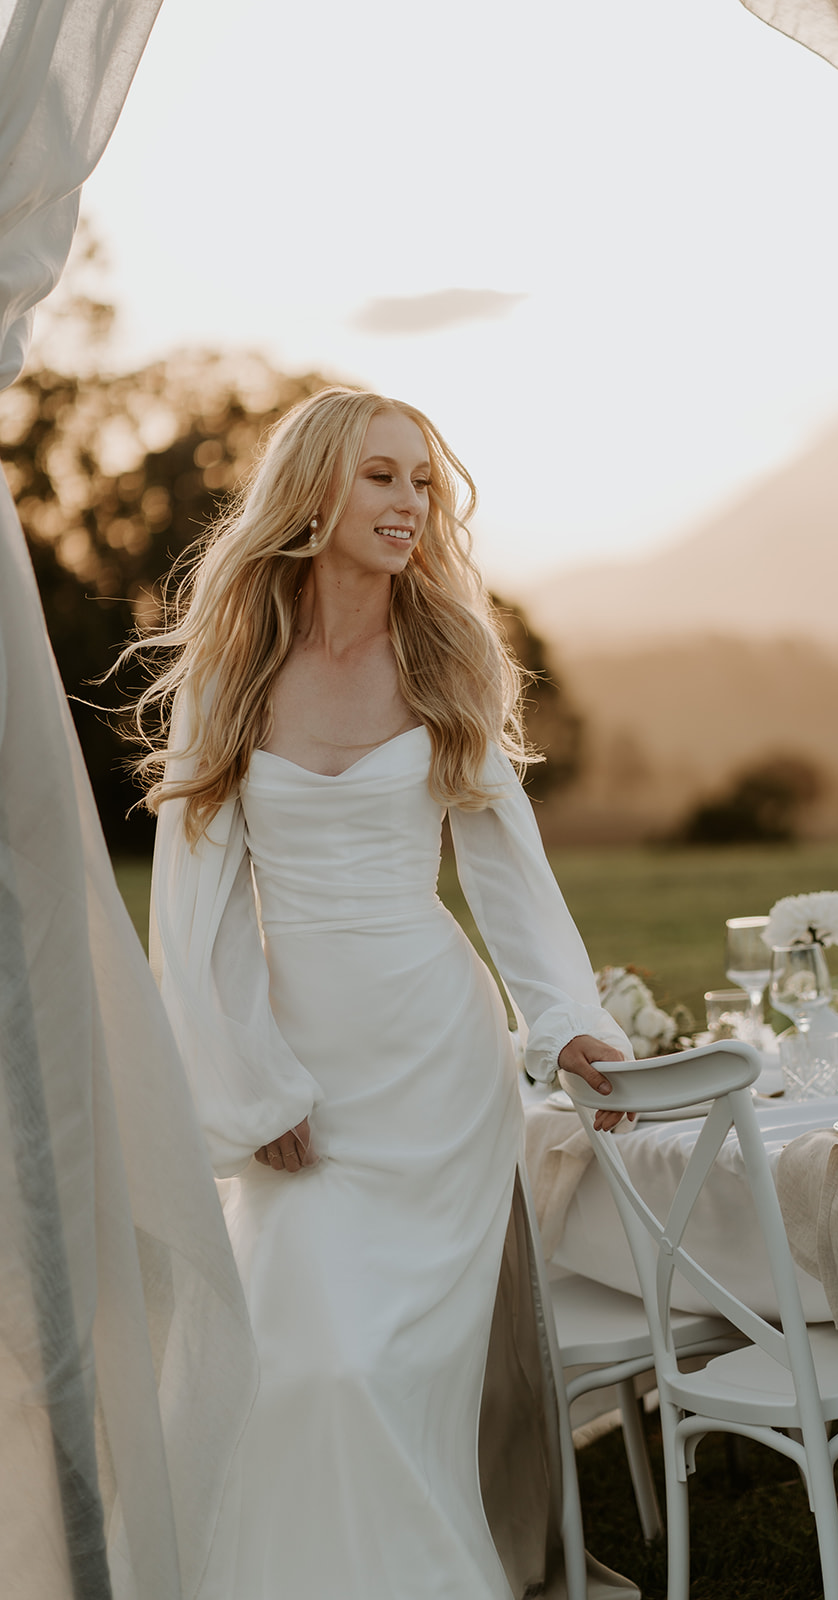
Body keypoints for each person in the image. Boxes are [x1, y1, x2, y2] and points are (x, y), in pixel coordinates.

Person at [126, 386, 635, 1600]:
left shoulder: (445, 651)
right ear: (313, 493)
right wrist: (247, 1082)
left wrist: (564, 1022)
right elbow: (193, 910)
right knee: (296, 1358)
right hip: (301, 1077)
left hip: (435, 1071)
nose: (410, 504)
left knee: (382, 1369)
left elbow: (506, 867)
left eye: (421, 481)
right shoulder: (233, 668)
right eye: (381, 478)